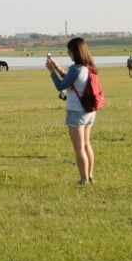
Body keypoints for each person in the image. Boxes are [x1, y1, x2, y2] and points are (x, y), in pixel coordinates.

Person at [46, 37, 98, 184]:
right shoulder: (88, 67)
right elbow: (70, 79)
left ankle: (84, 180)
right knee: (87, 145)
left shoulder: (75, 69)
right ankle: (90, 176)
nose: (68, 54)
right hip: (89, 111)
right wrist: (57, 67)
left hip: (76, 112)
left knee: (79, 148)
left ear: (74, 52)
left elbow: (61, 86)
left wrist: (51, 72)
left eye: (69, 51)